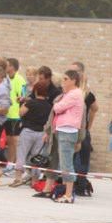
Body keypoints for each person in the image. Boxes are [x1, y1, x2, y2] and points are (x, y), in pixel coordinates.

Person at [38, 69, 84, 204]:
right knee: (63, 163)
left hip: (68, 132)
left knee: (66, 164)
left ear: (73, 81)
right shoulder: (69, 94)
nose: (63, 82)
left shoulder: (74, 94)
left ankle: (68, 195)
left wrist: (57, 104)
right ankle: (66, 192)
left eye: (65, 79)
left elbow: (57, 108)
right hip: (62, 130)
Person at [10, 80, 52, 187]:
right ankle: (34, 181)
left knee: (21, 154)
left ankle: (18, 178)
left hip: (28, 131)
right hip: (41, 133)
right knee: (36, 157)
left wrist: (23, 102)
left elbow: (21, 113)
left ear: (36, 91)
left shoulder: (31, 103)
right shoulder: (49, 106)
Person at [70, 60, 98, 176]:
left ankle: (80, 181)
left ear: (81, 73)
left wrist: (88, 126)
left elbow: (95, 108)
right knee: (70, 159)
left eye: (74, 71)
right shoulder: (68, 90)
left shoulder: (86, 92)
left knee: (82, 159)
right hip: (69, 128)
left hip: (81, 129)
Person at [3, 57, 25, 176]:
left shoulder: (20, 79)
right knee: (9, 140)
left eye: (7, 65)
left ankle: (15, 165)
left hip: (16, 115)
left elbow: (23, 95)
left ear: (12, 67)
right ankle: (9, 164)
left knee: (15, 140)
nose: (5, 67)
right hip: (6, 114)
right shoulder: (5, 78)